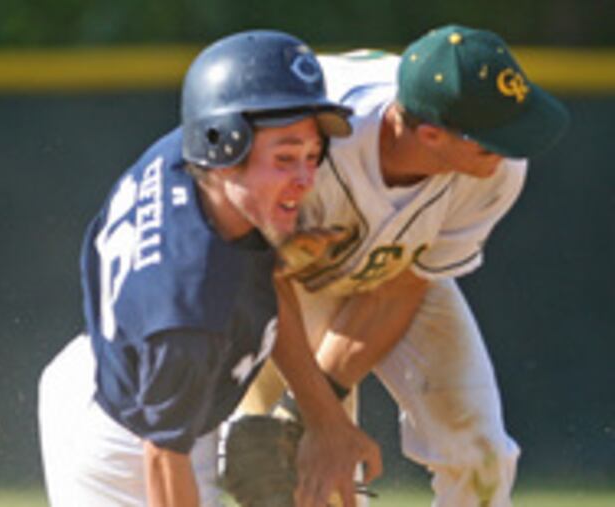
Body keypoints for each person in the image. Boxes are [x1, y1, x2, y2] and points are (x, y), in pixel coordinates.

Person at [37, 30, 382, 507]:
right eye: (284, 159)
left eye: (312, 155)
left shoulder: (194, 161)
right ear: (222, 146)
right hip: (127, 443)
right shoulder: (190, 306)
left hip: (135, 376)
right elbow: (162, 455)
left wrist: (323, 415)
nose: (305, 179)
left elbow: (254, 282)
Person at [239, 24, 570, 507]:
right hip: (279, 277)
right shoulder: (307, 137)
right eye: (489, 142)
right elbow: (252, 270)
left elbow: (401, 286)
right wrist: (314, 413)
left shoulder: (493, 174)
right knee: (294, 468)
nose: (508, 150)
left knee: (482, 457)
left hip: (396, 269)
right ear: (431, 134)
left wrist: (317, 406)